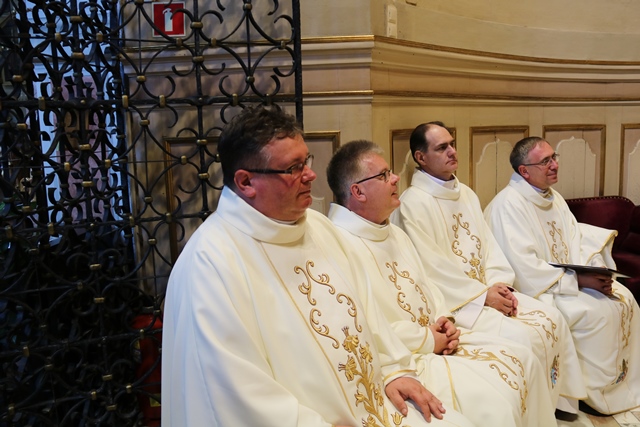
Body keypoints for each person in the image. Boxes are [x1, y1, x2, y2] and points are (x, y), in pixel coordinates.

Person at [161, 107, 474, 427]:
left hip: (377, 402)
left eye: (306, 161)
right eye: (293, 168)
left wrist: (394, 370)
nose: (310, 175)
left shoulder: (319, 227)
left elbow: (367, 310)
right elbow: (237, 394)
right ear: (246, 181)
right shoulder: (210, 264)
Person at [326, 140, 558, 427]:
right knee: (496, 400)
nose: (396, 178)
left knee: (525, 358)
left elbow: (428, 286)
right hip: (406, 358)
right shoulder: (338, 246)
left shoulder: (392, 232)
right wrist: (428, 338)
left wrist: (444, 319)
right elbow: (366, 326)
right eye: (384, 175)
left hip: (438, 339)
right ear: (358, 191)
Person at [390, 122, 587, 418]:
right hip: (460, 305)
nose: (452, 151)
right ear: (421, 157)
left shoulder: (466, 194)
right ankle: (532, 416)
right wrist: (482, 297)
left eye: (452, 144)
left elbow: (490, 247)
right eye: (442, 148)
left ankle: (555, 406)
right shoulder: (412, 204)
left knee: (552, 319)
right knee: (525, 338)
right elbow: (432, 268)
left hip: (486, 293)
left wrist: (498, 284)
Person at [484, 136, 640, 415]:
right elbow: (523, 267)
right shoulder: (508, 206)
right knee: (595, 314)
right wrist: (578, 281)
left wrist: (596, 271)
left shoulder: (552, 197)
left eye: (554, 157)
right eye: (545, 161)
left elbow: (576, 238)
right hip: (541, 291)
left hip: (566, 280)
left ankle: (620, 386)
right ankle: (591, 395)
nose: (555, 165)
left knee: (624, 298)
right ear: (524, 171)